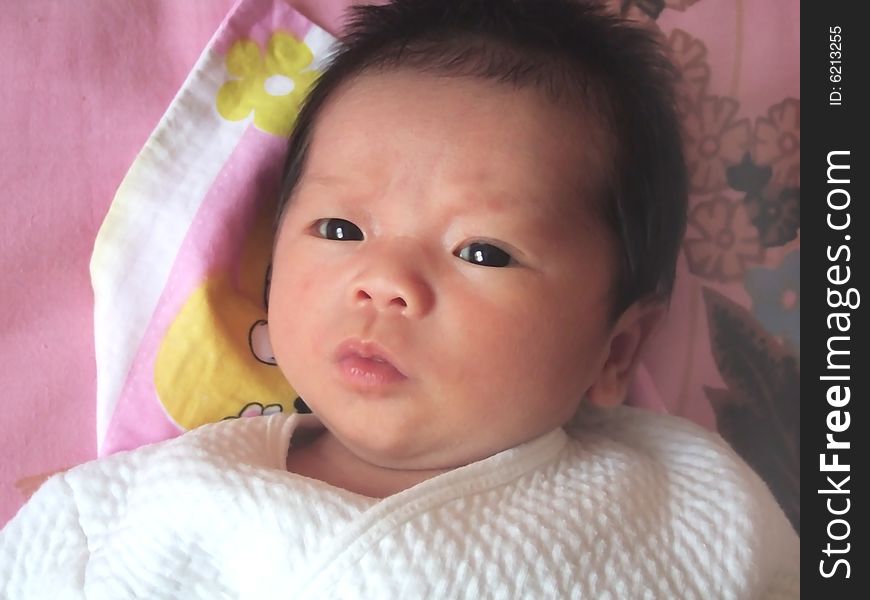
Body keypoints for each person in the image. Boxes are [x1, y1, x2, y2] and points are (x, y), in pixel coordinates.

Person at [1, 0, 799, 597]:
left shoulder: (685, 507)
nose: (384, 281)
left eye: (481, 251)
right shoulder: (146, 503)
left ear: (617, 349)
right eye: (341, 228)